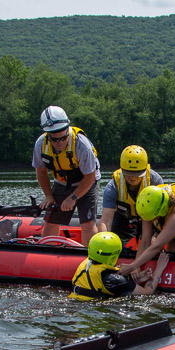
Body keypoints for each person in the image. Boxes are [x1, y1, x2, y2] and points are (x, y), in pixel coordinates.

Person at [32, 105, 101, 245]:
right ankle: (46, 256)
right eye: (54, 139)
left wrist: (73, 197)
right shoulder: (40, 144)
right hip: (62, 182)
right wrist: (48, 195)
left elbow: (90, 176)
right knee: (51, 222)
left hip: (86, 182)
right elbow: (41, 171)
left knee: (87, 224)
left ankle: (90, 260)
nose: (59, 143)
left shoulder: (81, 145)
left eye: (63, 138)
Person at [70, 231, 169, 300]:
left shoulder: (86, 263)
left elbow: (104, 277)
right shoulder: (115, 280)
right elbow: (147, 292)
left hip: (76, 302)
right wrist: (158, 270)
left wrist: (133, 277)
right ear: (114, 256)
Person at [98, 145, 164, 245]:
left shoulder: (155, 180)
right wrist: (103, 242)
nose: (132, 177)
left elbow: (162, 213)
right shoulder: (113, 185)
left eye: (137, 174)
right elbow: (106, 220)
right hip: (123, 219)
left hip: (149, 219)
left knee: (153, 242)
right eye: (128, 173)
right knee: (113, 240)